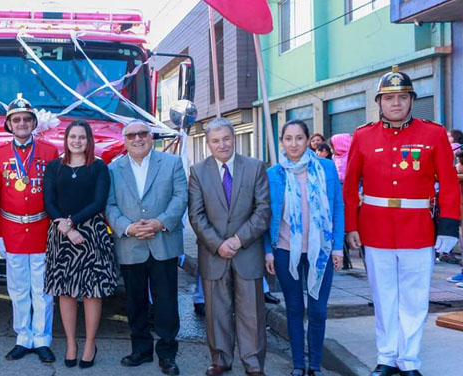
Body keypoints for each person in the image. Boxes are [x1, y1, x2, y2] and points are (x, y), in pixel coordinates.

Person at [344, 66, 461, 376]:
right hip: (376, 228)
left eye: (402, 97)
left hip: (418, 229)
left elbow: (448, 184)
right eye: (389, 98)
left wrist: (449, 226)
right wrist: (351, 227)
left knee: (414, 298)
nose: (396, 103)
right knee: (384, 299)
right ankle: (386, 358)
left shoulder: (433, 134)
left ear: (412, 100)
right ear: (379, 103)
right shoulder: (363, 136)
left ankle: (408, 361)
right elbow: (350, 187)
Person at [188, 117, 271, 376]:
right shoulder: (198, 172)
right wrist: (218, 244)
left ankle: (253, 363)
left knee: (251, 313)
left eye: (226, 139)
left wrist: (237, 240)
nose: (222, 145)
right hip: (214, 254)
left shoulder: (255, 167)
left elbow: (263, 210)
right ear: (208, 144)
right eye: (215, 140)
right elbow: (196, 215)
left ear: (234, 138)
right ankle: (220, 360)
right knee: (216, 312)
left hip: (247, 252)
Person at [106, 120, 187, 376]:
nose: (138, 139)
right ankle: (140, 350)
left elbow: (181, 197)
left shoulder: (172, 163)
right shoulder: (113, 168)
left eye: (142, 134)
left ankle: (167, 353)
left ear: (151, 137)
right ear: (124, 139)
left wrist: (160, 222)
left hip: (163, 242)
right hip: (131, 244)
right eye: (131, 135)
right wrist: (128, 228)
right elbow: (109, 205)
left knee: (166, 302)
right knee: (135, 301)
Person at [264, 120, 345, 376]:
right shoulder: (273, 174)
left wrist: (338, 248)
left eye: (299, 138)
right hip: (286, 251)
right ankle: (299, 364)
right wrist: (268, 250)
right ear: (282, 142)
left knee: (319, 311)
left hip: (320, 251)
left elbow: (337, 207)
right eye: (288, 138)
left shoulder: (326, 168)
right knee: (295, 309)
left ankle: (315, 365)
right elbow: (266, 216)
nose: (294, 144)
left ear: (308, 140)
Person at [0, 94, 59, 363]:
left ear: (33, 123)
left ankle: (42, 338)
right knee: (17, 289)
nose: (21, 123)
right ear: (9, 124)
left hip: (42, 228)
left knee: (42, 290)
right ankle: (22, 337)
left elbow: (55, 195)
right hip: (12, 230)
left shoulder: (49, 152)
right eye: (16, 119)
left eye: (26, 119)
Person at [42, 120, 117, 369]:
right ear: (66, 139)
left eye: (82, 137)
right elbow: (48, 201)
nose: (77, 141)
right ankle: (72, 343)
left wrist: (73, 223)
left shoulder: (98, 167)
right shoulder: (54, 167)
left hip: (91, 233)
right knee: (65, 291)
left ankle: (89, 343)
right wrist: (63, 224)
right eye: (72, 137)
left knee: (91, 291)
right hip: (61, 233)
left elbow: (99, 201)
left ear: (88, 140)